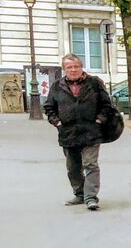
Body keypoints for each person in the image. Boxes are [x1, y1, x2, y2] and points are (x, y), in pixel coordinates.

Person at [43, 53, 117, 210]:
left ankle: (91, 197)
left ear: (81, 67)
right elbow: (49, 107)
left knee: (90, 163)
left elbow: (106, 105)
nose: (73, 69)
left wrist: (99, 120)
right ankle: (80, 194)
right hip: (68, 132)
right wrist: (57, 122)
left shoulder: (95, 83)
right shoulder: (57, 86)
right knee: (73, 167)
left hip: (91, 131)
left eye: (76, 66)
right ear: (64, 69)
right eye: (69, 67)